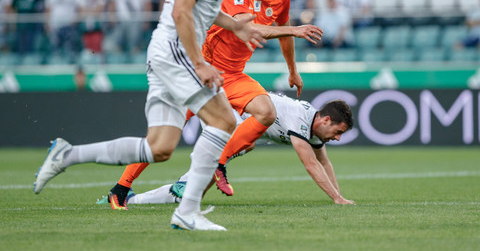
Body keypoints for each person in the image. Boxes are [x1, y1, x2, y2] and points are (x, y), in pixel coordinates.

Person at [33, 0, 262, 232]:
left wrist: (235, 25)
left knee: (160, 147)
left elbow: (202, 10)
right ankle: (187, 212)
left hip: (167, 50)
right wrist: (199, 63)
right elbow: (181, 12)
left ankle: (67, 155)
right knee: (225, 120)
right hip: (175, 50)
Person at [102, 0, 323, 203]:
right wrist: (295, 29)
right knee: (163, 137)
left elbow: (283, 36)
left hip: (233, 76)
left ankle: (219, 162)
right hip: (201, 72)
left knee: (266, 112)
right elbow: (245, 27)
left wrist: (292, 69)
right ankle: (120, 189)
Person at [97, 93, 355, 206]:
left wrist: (339, 195)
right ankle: (129, 192)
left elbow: (324, 163)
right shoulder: (300, 119)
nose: (338, 138)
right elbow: (311, 164)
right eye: (338, 132)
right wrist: (336, 199)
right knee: (185, 181)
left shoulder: (314, 128)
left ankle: (129, 195)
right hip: (229, 116)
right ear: (326, 120)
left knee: (193, 189)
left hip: (238, 125)